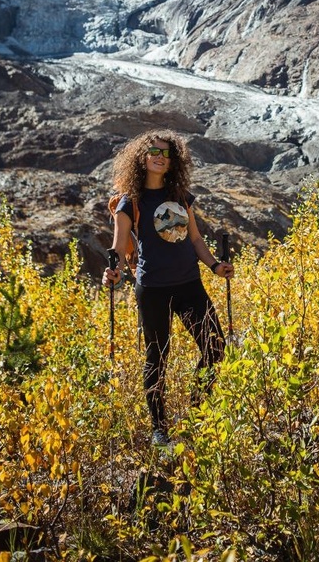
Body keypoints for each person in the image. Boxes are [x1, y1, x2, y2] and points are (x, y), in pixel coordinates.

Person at [102, 129, 234, 446]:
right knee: (157, 359)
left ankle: (196, 415)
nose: (160, 158)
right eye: (154, 152)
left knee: (215, 349)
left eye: (166, 154)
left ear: (173, 161)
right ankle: (160, 430)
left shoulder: (179, 194)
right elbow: (119, 247)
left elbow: (196, 239)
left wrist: (215, 266)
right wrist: (114, 271)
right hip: (154, 289)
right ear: (142, 158)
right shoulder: (128, 203)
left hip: (190, 283)